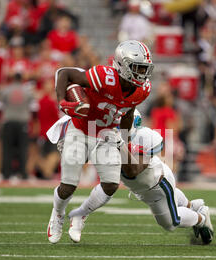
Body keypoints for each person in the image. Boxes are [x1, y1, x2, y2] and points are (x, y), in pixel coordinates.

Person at [47, 40, 154, 244]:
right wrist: (62, 102)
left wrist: (125, 142)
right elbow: (65, 74)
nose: (142, 73)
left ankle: (80, 214)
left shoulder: (142, 89)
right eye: (138, 68)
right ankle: (58, 213)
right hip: (80, 129)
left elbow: (128, 113)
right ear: (123, 65)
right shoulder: (105, 76)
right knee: (68, 186)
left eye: (145, 68)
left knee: (111, 185)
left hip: (106, 134)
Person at [67, 111, 214, 245]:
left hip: (159, 183)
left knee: (171, 223)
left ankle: (201, 218)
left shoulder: (146, 137)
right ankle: (192, 206)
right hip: (141, 187)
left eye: (119, 125)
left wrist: (119, 145)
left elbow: (134, 171)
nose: (116, 129)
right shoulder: (105, 138)